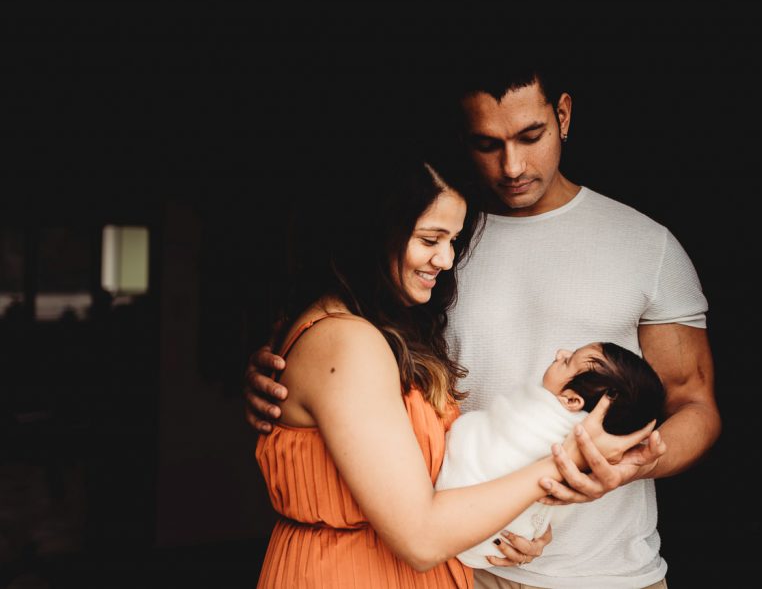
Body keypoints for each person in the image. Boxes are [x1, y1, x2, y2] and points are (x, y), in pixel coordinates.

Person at [246, 48, 720, 588]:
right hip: (461, 566)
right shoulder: (436, 243)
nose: (511, 166)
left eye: (530, 136)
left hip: (602, 571)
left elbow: (694, 403)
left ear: (563, 116)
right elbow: (356, 366)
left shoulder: (646, 246)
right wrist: (286, 379)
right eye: (487, 145)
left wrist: (627, 463)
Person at [254, 152, 652, 588]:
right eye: (430, 239)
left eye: (453, 241)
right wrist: (565, 464)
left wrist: (516, 524)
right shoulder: (347, 345)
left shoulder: (382, 330)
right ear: (373, 235)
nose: (445, 260)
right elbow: (421, 538)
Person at [435, 342, 666, 569]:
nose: (559, 353)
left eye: (568, 361)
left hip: (456, 520)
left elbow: (482, 436)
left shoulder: (539, 423)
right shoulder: (596, 452)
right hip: (492, 543)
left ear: (572, 400)